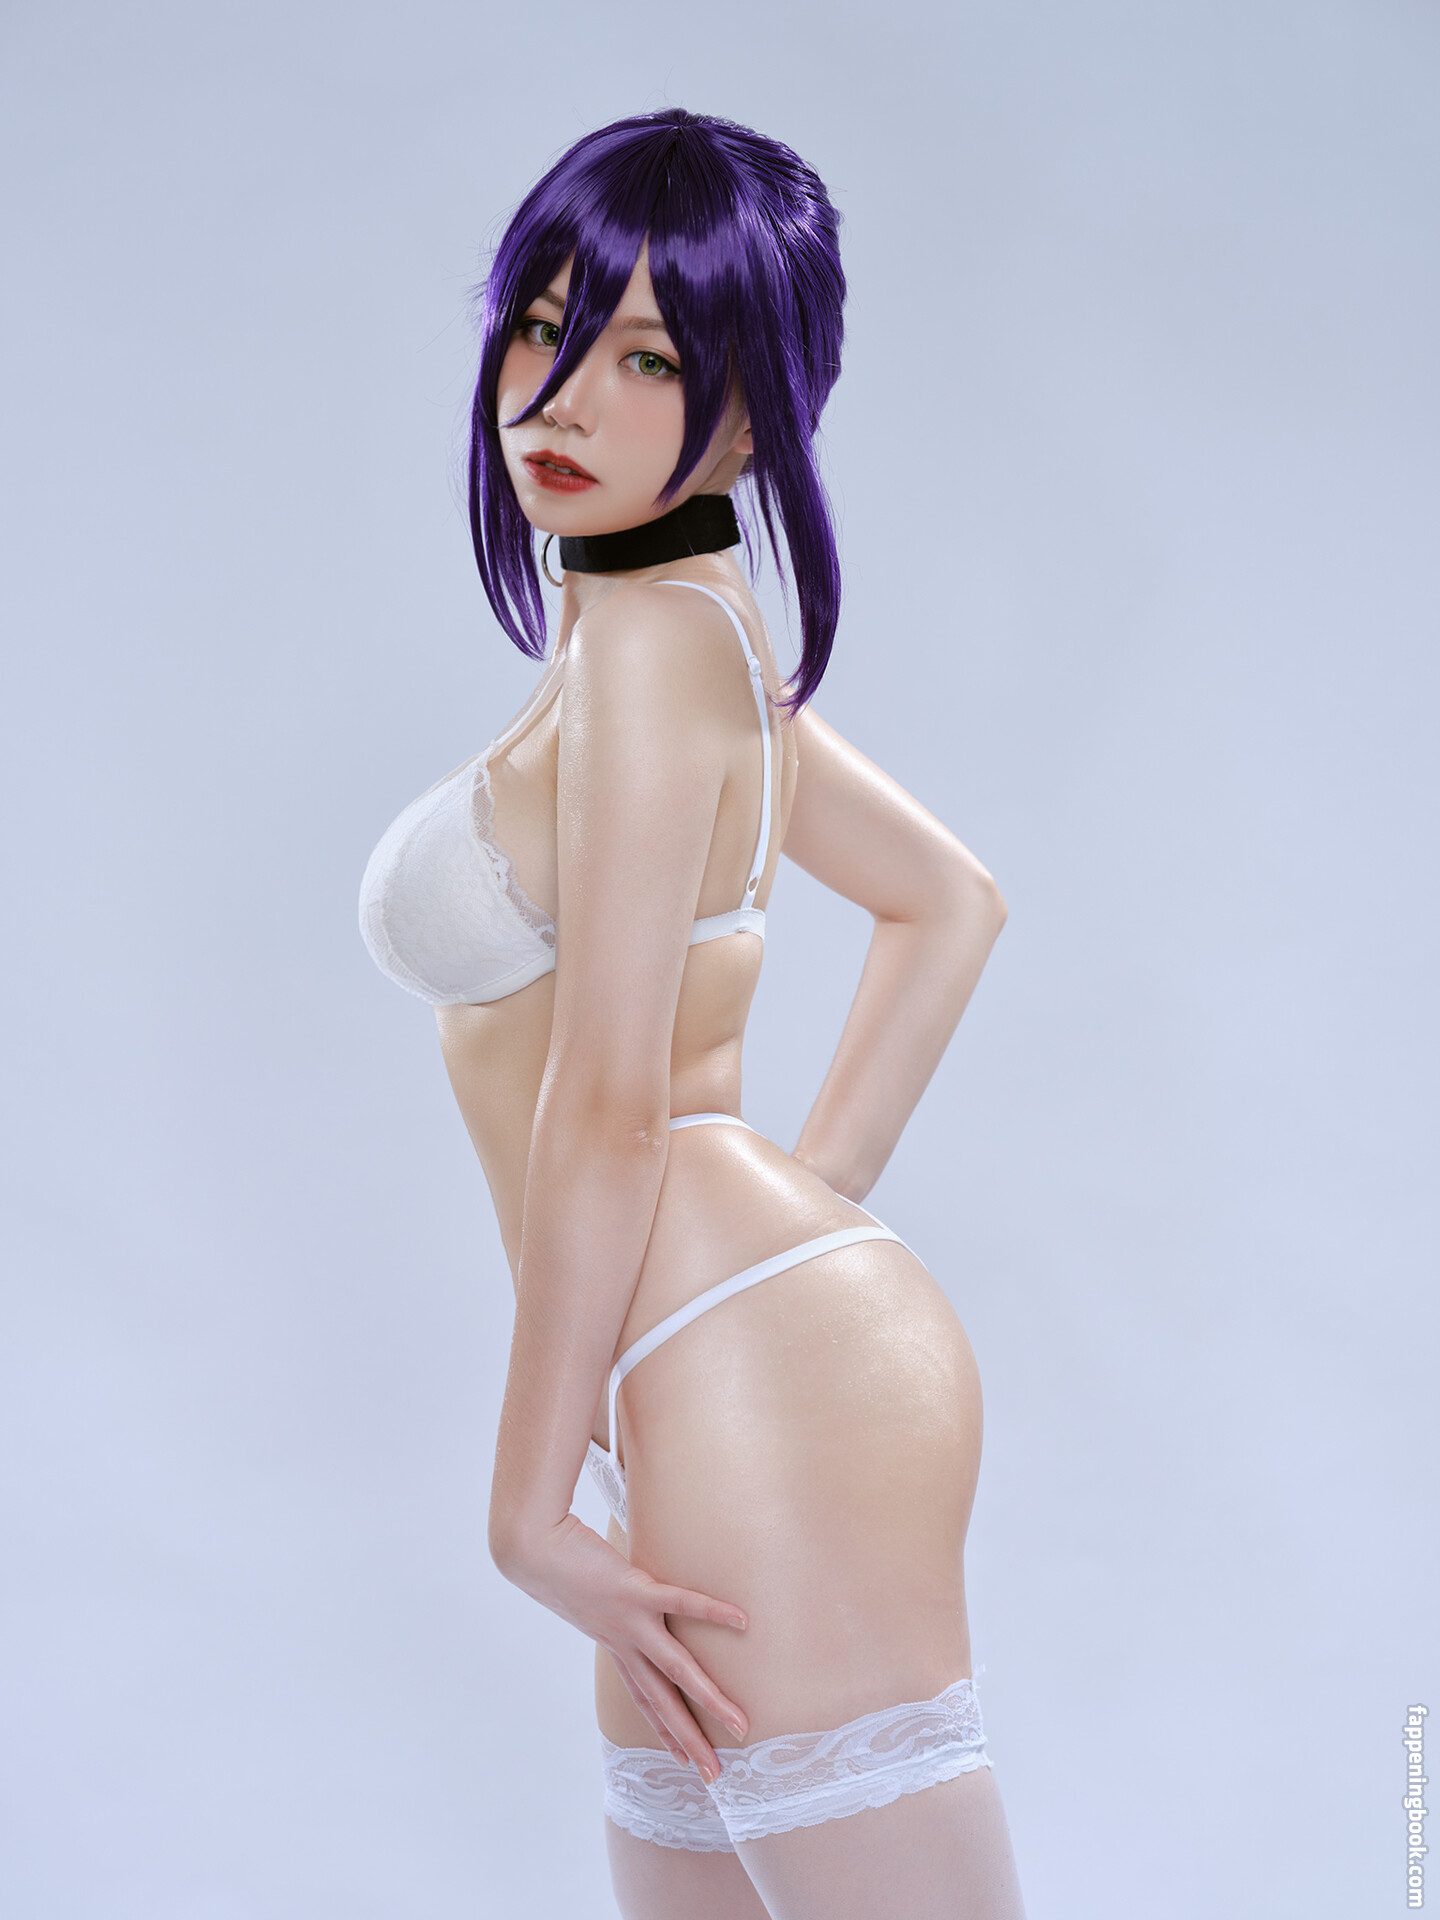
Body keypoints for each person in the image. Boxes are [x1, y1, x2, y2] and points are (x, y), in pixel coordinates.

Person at [359, 108, 1027, 1920]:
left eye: (645, 358)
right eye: (542, 326)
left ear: (751, 416)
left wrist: (526, 1508)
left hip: (746, 1374)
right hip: (710, 1364)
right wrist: (796, 1227)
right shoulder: (663, 625)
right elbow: (949, 900)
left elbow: (609, 1105)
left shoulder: (660, 646)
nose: (560, 397)